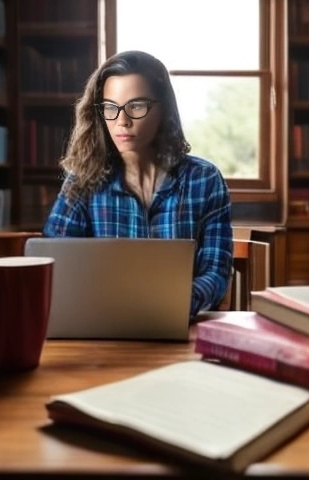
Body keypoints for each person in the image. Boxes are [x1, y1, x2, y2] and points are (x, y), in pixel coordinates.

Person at [43, 50, 233, 317]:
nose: (122, 121)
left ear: (163, 108)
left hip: (181, 323)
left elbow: (215, 271)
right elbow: (57, 268)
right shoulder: (81, 182)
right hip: (102, 326)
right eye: (110, 108)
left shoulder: (204, 180)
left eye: (136, 106)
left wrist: (174, 305)